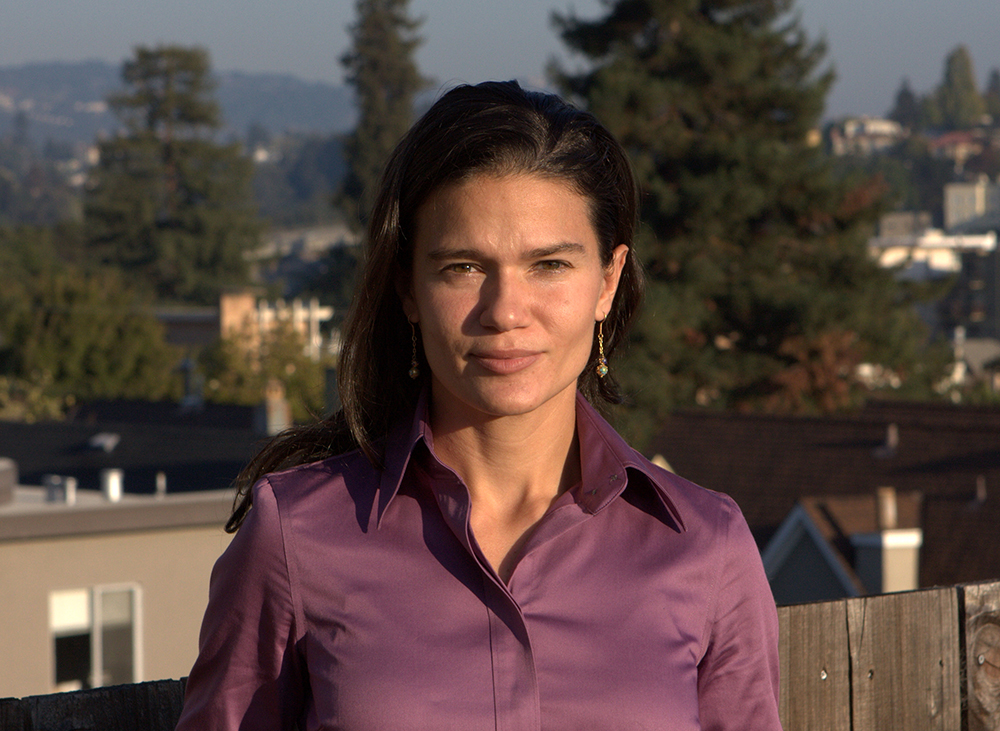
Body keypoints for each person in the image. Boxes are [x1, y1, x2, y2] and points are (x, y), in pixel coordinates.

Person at [175, 80, 781, 730]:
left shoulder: (706, 547)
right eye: (462, 267)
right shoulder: (294, 537)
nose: (505, 311)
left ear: (608, 281)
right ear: (407, 286)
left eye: (548, 264)